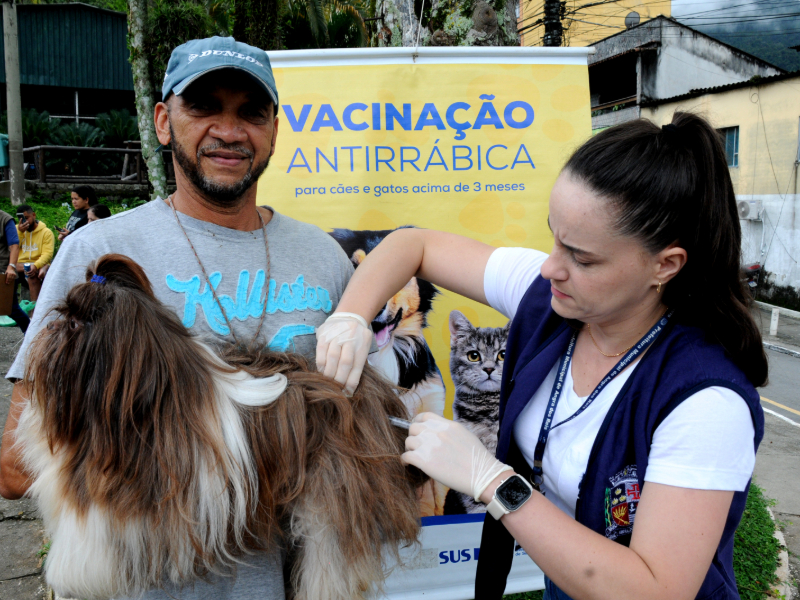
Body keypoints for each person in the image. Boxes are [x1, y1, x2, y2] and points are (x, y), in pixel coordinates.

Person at [316, 113, 767, 600]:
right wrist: (352, 315)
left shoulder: (705, 403)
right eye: (554, 237)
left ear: (666, 265)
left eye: (582, 258)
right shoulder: (550, 298)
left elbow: (655, 590)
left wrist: (493, 482)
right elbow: (413, 243)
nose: (551, 267)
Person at [0, 36, 356, 600]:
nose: (229, 131)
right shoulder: (94, 253)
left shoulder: (325, 259)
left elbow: (352, 445)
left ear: (274, 129)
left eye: (250, 113)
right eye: (205, 107)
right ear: (164, 122)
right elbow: (15, 470)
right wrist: (241, 450)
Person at [15, 204, 55, 301]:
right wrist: (20, 233)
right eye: (21, 219)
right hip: (19, 265)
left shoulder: (46, 232)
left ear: (33, 215)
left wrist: (36, 265)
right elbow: (12, 248)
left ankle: (34, 308)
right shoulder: (16, 229)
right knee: (7, 269)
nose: (24, 222)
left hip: (36, 264)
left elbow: (47, 254)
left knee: (32, 274)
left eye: (26, 218)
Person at [0, 210, 29, 332]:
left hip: (3, 270)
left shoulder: (5, 219)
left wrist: (11, 267)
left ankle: (32, 336)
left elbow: (14, 245)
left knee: (11, 309)